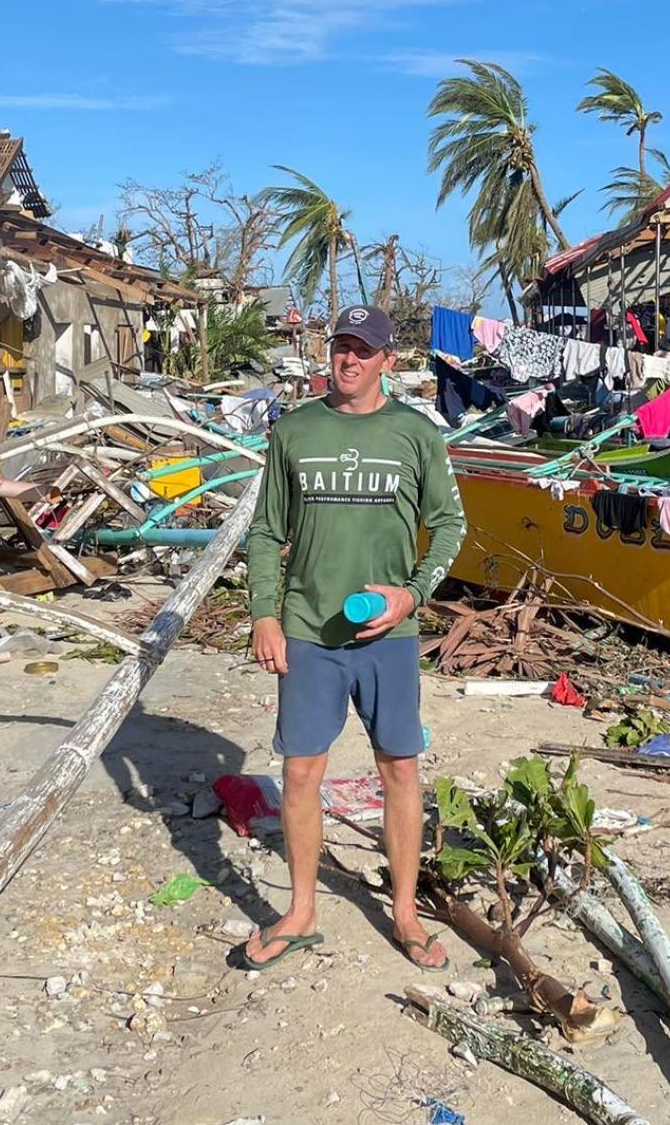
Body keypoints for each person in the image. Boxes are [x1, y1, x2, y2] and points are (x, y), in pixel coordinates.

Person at [239, 304, 468, 973]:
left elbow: (448, 524)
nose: (348, 359)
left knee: (398, 767)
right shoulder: (295, 431)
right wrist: (264, 614)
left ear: (387, 361)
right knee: (301, 770)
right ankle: (302, 909)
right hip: (309, 632)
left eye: (363, 350)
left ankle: (402, 912)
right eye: (341, 346)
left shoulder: (415, 433)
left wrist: (412, 593)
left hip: (389, 638)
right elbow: (264, 531)